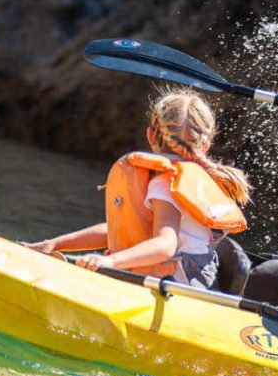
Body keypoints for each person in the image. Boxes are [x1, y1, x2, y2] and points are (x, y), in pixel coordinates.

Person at [26, 89, 251, 289]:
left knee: (114, 266)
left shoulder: (165, 184)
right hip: (201, 276)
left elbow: (165, 245)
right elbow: (120, 229)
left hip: (182, 284)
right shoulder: (194, 179)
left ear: (151, 135)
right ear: (205, 145)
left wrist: (111, 261)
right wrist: (54, 244)